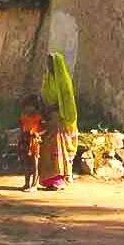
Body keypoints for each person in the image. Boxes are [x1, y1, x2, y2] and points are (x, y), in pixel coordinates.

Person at [38, 53, 78, 191]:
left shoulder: (63, 81)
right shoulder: (47, 79)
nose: (48, 65)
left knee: (58, 149)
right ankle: (49, 179)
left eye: (50, 63)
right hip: (48, 118)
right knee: (46, 150)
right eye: (47, 62)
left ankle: (59, 179)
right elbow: (43, 97)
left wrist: (53, 108)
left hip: (60, 119)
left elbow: (66, 100)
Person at [18, 94, 45, 191]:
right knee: (25, 163)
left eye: (30, 106)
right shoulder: (23, 118)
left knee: (35, 164)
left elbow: (45, 129)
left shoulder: (39, 118)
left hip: (35, 142)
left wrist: (37, 134)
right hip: (25, 141)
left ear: (35, 107)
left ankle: (34, 185)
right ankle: (26, 183)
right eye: (26, 107)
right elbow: (21, 129)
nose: (28, 109)